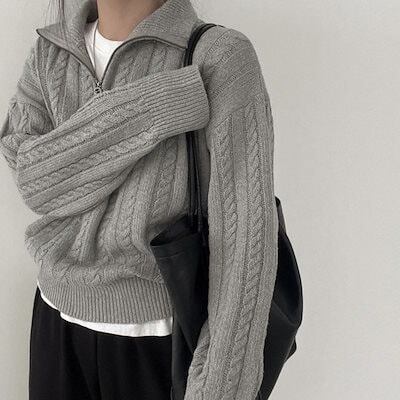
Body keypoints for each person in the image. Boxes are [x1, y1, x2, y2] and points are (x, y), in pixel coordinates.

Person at [0, 0, 279, 399]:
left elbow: (246, 243)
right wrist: (160, 103)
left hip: (159, 340)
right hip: (54, 322)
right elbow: (34, 182)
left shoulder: (219, 57)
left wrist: (222, 389)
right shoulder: (51, 50)